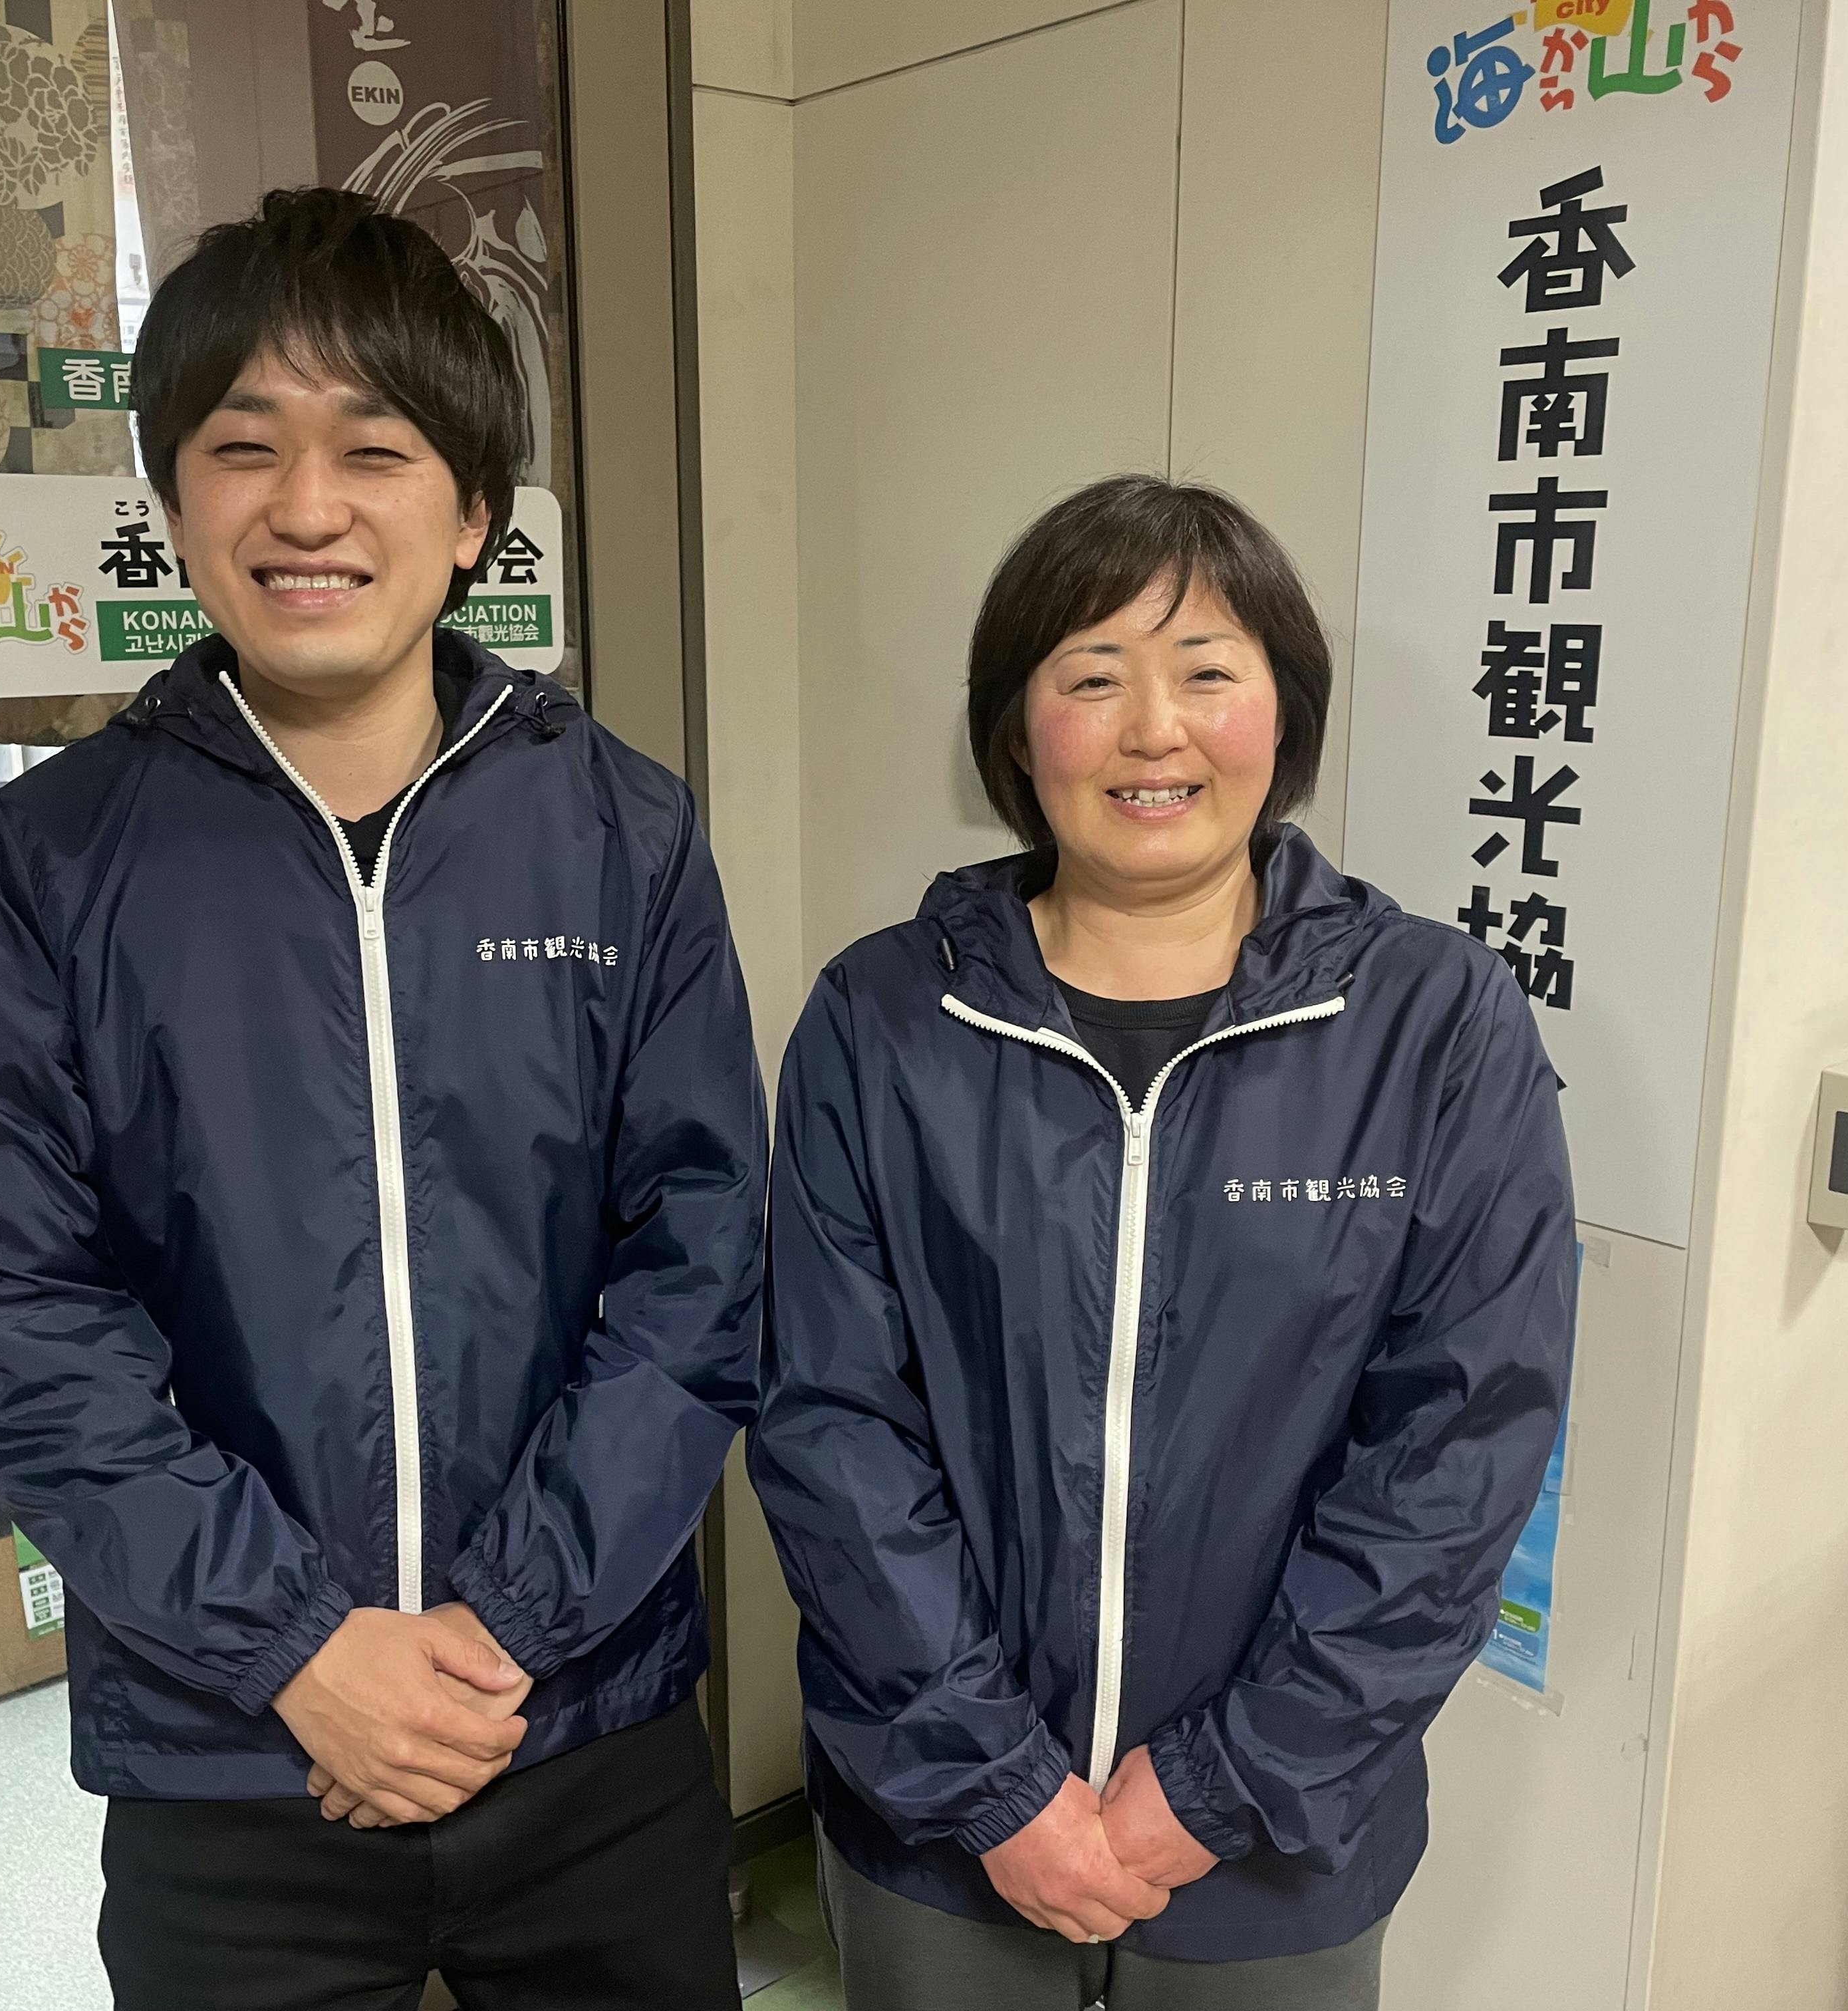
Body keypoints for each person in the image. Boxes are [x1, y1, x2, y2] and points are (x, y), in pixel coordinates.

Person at [0, 187, 765, 2010]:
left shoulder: (621, 833)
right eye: (245, 449)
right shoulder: (53, 864)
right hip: (232, 1751)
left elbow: (701, 1271)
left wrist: (504, 1627)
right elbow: (15, 1310)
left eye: (375, 451)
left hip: (579, 1724)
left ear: (472, 516)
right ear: (172, 503)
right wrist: (298, 1645)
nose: (307, 509)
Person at [750, 475, 1575, 2009]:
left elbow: (1459, 1453)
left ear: (1283, 713)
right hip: (942, 1832)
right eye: (1091, 679)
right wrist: (1000, 1786)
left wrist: (1216, 1785)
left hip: (1276, 1847)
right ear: (1017, 730)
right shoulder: (886, 1019)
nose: (1153, 731)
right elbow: (830, 1426)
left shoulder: (1432, 1024)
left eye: (1207, 673)